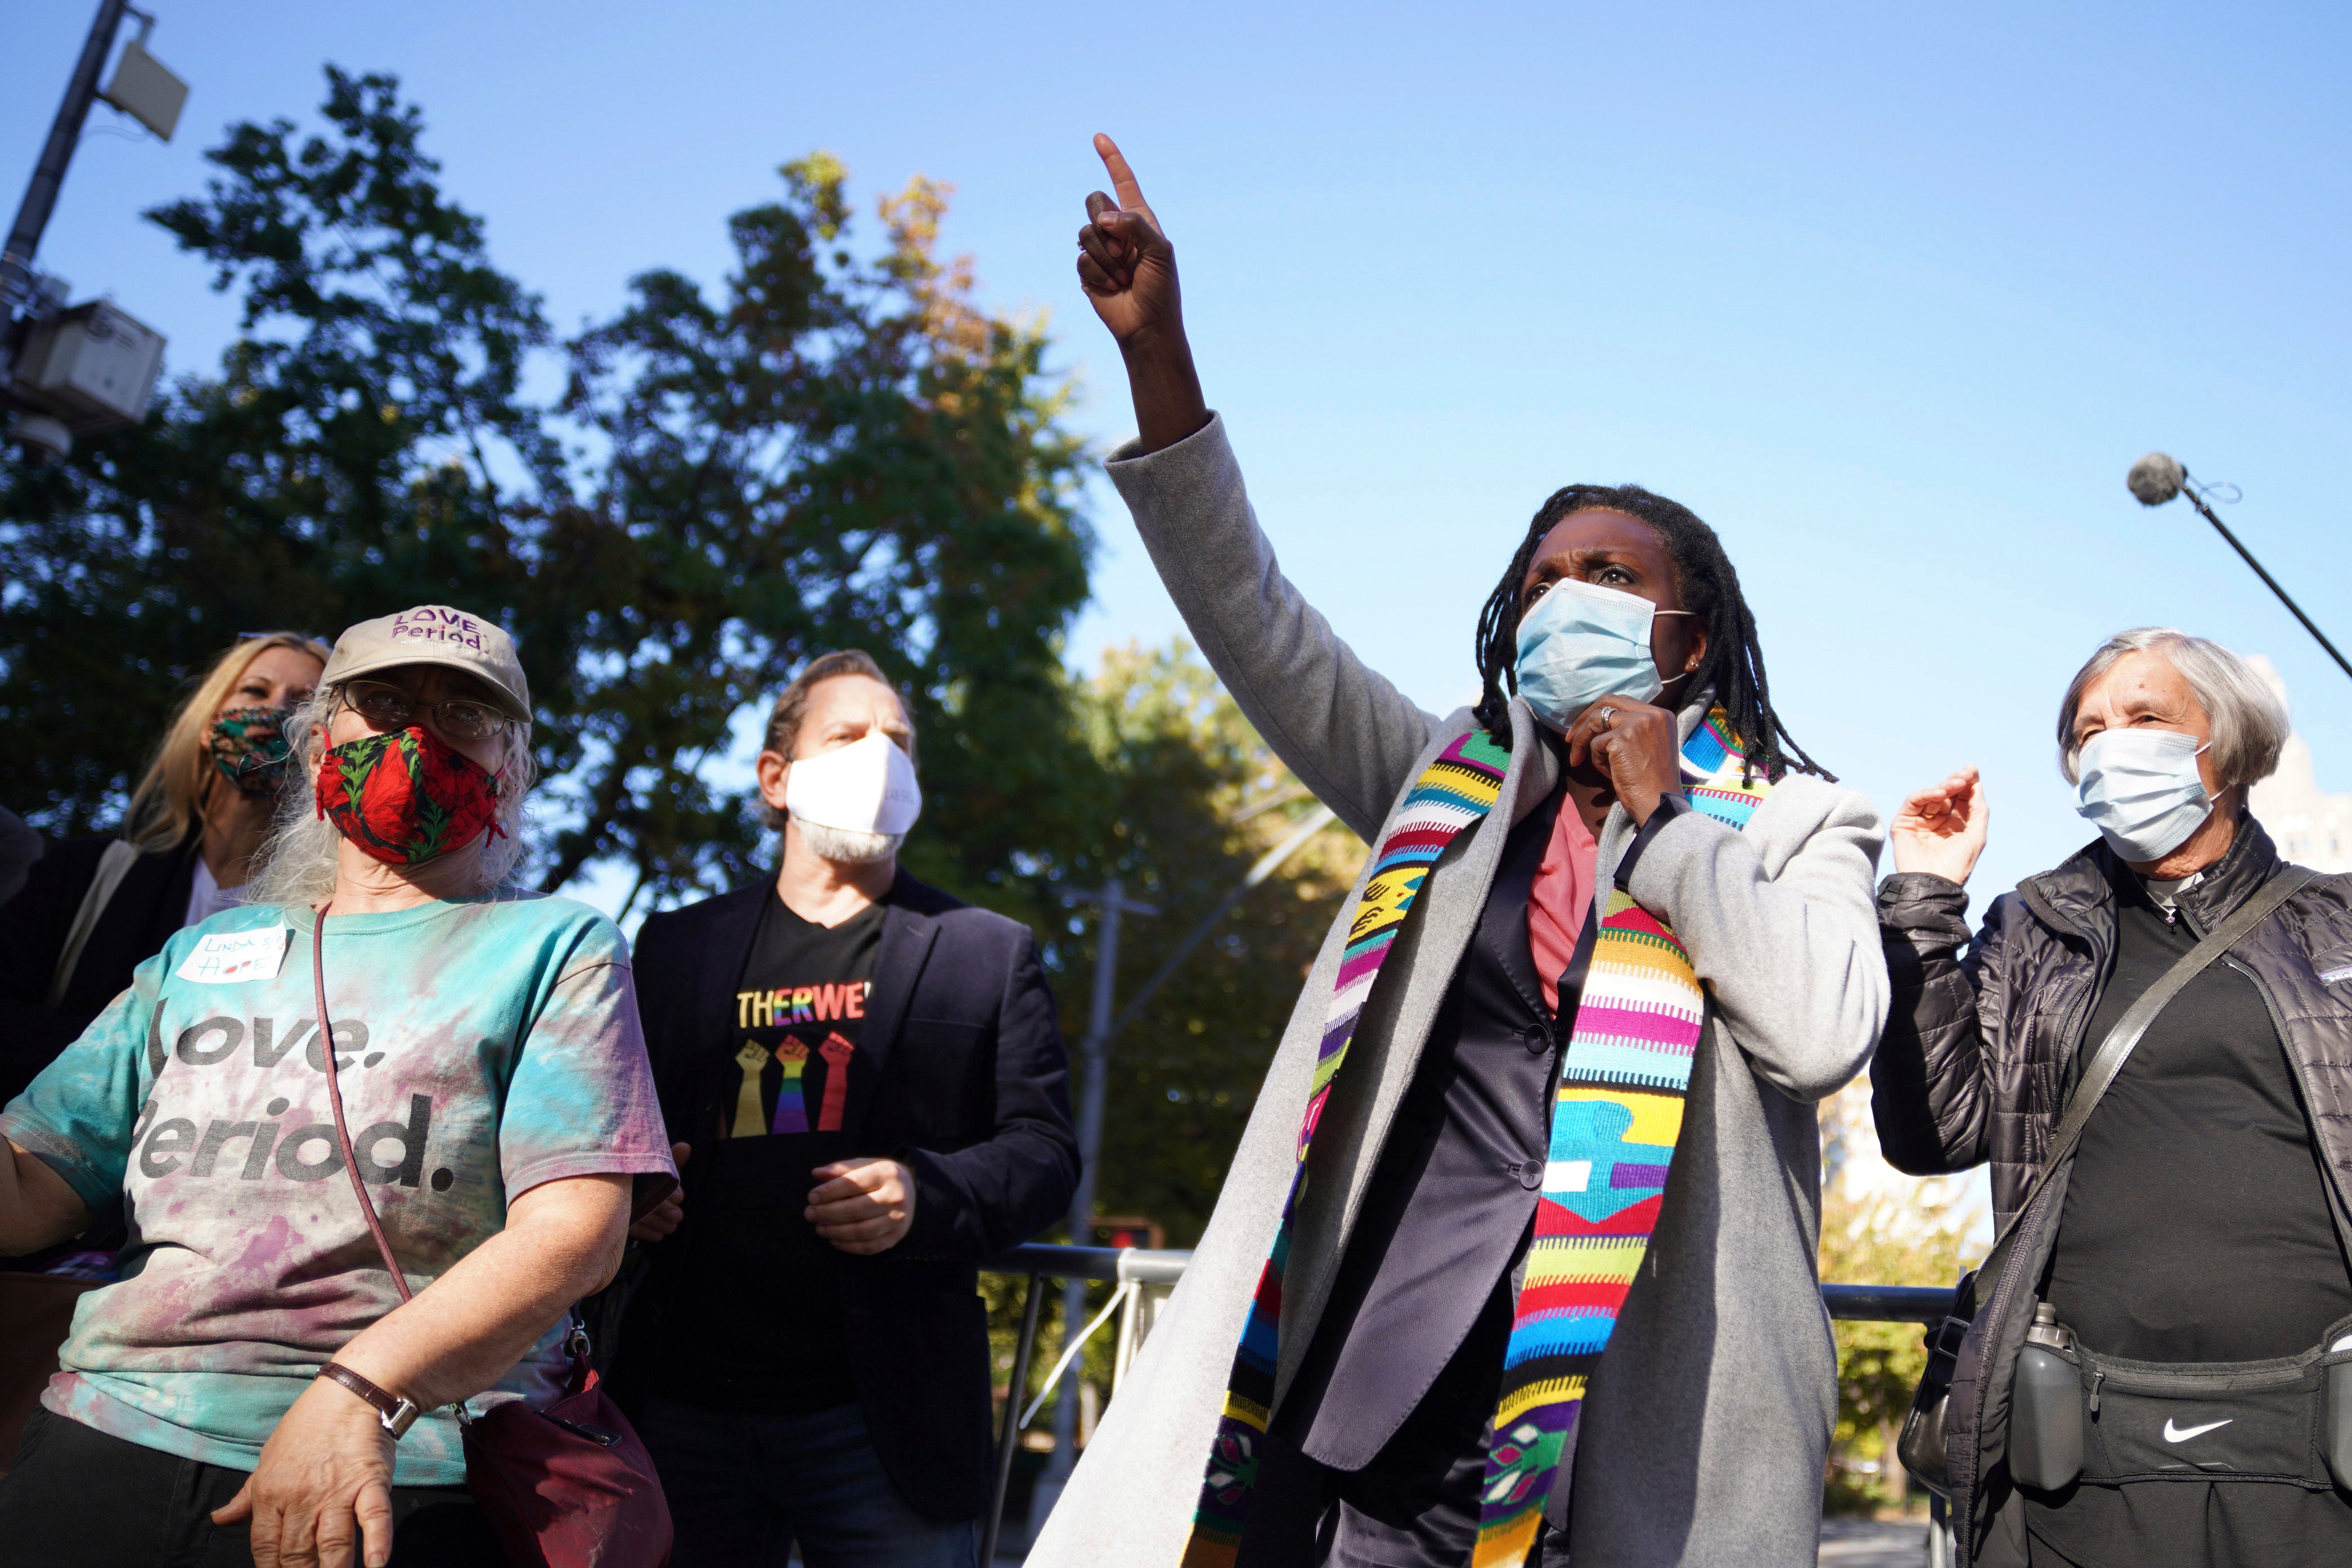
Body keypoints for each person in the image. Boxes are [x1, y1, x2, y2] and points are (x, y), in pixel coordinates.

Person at [1032, 138, 1888, 1568]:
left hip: (1638, 1433)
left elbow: (1819, 1030)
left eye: (1609, 579)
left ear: (1690, 632)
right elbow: (1259, 619)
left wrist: (1664, 826)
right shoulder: (1448, 783)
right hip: (1400, 1392)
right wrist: (1160, 359)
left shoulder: (1797, 822)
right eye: (1543, 579)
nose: (1566, 598)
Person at [0, 603, 678, 1568]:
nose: (417, 729)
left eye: (462, 710)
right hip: (104, 1440)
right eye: (386, 699)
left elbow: (574, 1232)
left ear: (512, 765)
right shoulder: (198, 954)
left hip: (392, 1468)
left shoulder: (556, 946)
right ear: (321, 741)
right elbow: (31, 1190)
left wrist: (356, 1392)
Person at [1873, 628, 2352, 1568]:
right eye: (2088, 729)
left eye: (2145, 717)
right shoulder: (2033, 925)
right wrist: (1924, 900)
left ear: (2231, 746)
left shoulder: (2334, 921)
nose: (2110, 744)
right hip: (2086, 1445)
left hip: (2317, 1447)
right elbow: (1934, 1132)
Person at [614, 649, 1080, 1568]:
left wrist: (924, 1190)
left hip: (879, 1425)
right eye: (850, 734)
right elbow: (609, 1123)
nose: (880, 756)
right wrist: (632, 1190)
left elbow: (1045, 1153)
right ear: (776, 777)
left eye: (898, 741)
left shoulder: (985, 953)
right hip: (681, 1409)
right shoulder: (673, 946)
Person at [0, 630, 332, 1105]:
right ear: (206, 723)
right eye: (256, 691)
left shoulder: (330, 914)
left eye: (302, 705)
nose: (275, 713)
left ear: (323, 748)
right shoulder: (80, 877)